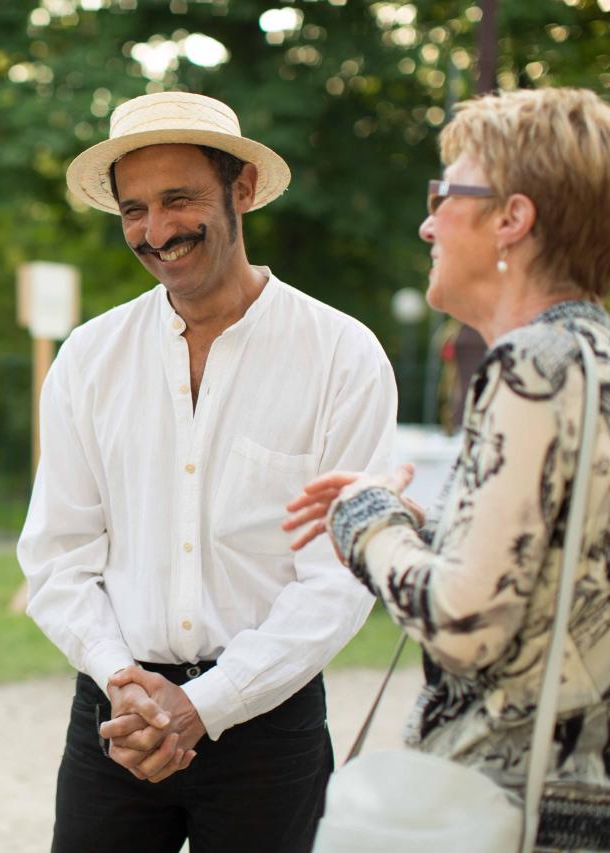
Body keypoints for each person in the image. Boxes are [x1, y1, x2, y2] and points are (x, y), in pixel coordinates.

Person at [17, 91, 397, 852]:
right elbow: (58, 555)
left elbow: (339, 577)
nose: (155, 232)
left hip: (269, 726)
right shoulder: (89, 360)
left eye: (179, 199)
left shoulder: (341, 356)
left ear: (243, 189)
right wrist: (124, 682)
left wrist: (207, 702)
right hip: (117, 719)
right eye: (134, 209)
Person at [284, 87, 610, 851]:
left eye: (445, 195)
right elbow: (566, 565)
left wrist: (367, 521)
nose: (428, 222)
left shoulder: (528, 367)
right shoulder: (595, 359)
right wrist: (429, 530)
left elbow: (465, 622)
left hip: (503, 804)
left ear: (512, 218)